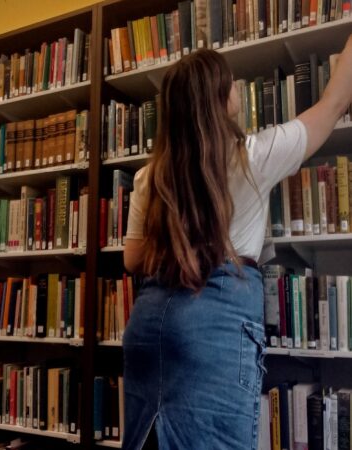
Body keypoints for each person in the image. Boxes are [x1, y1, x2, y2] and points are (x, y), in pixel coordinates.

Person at [122, 35, 352, 450]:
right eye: (230, 83)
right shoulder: (252, 157)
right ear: (220, 101)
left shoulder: (149, 175)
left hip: (148, 325)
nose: (237, 87)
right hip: (213, 326)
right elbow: (333, 105)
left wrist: (178, 244)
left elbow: (133, 259)